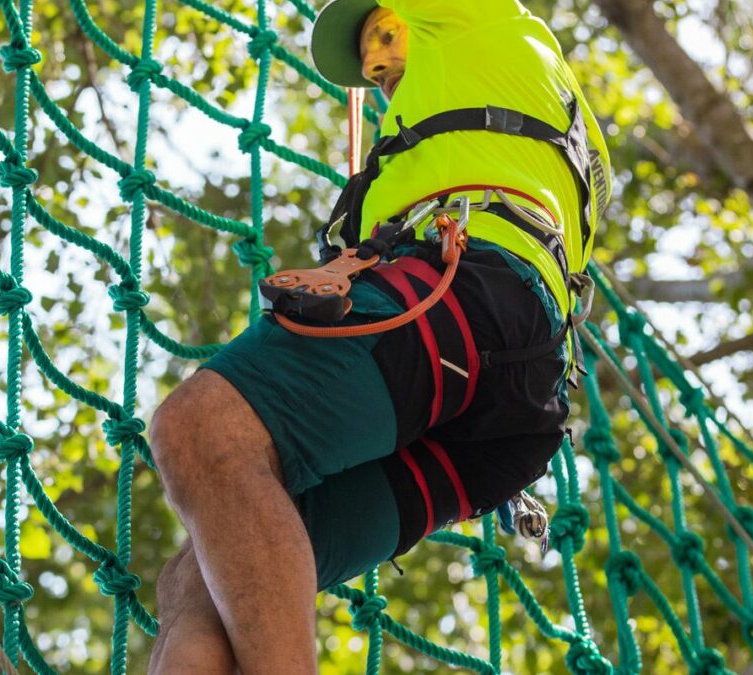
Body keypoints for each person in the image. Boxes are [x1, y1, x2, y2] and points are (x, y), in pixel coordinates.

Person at [146, 0, 611, 672]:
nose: (374, 64)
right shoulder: (542, 125)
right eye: (368, 54)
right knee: (199, 578)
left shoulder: (489, 21)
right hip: (501, 405)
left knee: (202, 431)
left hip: (472, 297)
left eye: (386, 32)